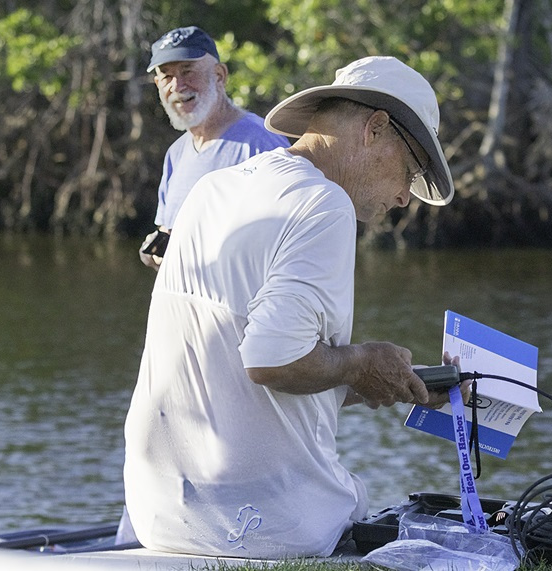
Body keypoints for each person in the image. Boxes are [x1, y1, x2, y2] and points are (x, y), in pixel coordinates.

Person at [122, 56, 459, 558]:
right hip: (264, 525)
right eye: (409, 172)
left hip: (159, 515)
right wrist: (363, 361)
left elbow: (239, 375)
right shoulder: (323, 203)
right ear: (375, 128)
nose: (404, 198)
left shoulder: (213, 189)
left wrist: (389, 381)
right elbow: (273, 361)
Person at [139, 25, 288, 270]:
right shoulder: (175, 154)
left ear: (219, 75)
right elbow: (168, 231)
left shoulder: (262, 144)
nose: (177, 85)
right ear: (157, 84)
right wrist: (158, 252)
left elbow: (288, 240)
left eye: (188, 71)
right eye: (166, 76)